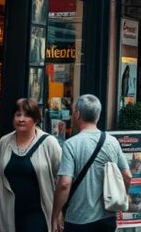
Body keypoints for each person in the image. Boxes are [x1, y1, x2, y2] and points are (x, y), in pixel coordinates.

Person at [51, 94, 131, 232]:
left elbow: (64, 184)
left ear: (77, 114)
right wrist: (120, 197)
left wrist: (56, 213)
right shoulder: (112, 142)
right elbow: (128, 176)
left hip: (78, 218)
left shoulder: (71, 144)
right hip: (107, 218)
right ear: (98, 116)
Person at [0, 98, 62, 232]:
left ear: (36, 119)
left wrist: (59, 209)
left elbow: (61, 177)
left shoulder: (49, 143)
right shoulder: (4, 142)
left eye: (27, 115)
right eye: (18, 114)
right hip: (9, 213)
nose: (21, 119)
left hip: (39, 212)